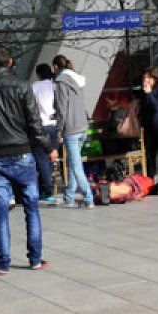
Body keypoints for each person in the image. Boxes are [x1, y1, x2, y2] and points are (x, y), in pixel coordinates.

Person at [0, 45, 56, 275]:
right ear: (10, 62)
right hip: (23, 154)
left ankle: (3, 262)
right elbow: (34, 124)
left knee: (0, 210)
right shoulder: (22, 87)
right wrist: (49, 147)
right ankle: (35, 259)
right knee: (32, 208)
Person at [52, 54, 95, 209]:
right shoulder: (77, 80)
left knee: (76, 165)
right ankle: (69, 197)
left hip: (71, 128)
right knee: (73, 162)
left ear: (56, 67)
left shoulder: (61, 82)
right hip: (82, 125)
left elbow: (62, 108)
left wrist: (59, 130)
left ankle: (88, 197)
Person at [31, 63, 58, 202]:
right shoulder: (55, 85)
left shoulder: (35, 87)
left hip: (40, 126)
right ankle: (47, 187)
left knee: (40, 158)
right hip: (54, 125)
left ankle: (47, 189)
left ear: (38, 74)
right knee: (51, 157)